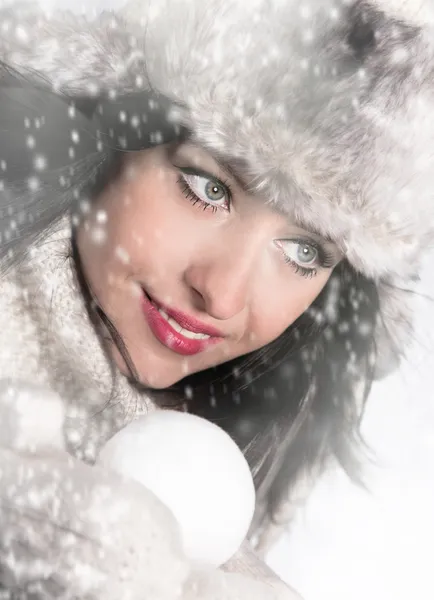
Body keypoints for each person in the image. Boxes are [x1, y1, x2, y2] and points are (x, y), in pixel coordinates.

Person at [0, 0, 432, 597]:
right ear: (112, 125)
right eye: (208, 188)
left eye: (305, 253)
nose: (222, 294)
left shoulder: (236, 447)